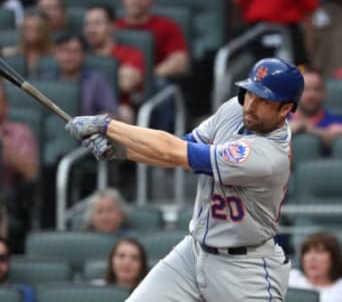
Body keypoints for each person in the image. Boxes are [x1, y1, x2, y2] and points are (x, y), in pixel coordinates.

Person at [65, 57, 304, 301]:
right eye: (249, 93)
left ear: (285, 108)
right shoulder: (236, 109)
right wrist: (122, 150)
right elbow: (180, 147)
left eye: (263, 99)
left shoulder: (268, 156)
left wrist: (107, 126)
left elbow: (174, 152)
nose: (250, 104)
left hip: (246, 269)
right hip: (194, 252)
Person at [228, 0, 319, 66]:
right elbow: (237, 0)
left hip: (288, 33)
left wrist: (309, 48)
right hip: (254, 33)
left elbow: (309, 10)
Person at [84, 5, 145, 124]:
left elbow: (127, 84)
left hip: (115, 108)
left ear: (112, 26)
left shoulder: (130, 54)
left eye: (97, 23)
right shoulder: (81, 55)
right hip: (84, 105)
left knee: (124, 112)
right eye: (88, 24)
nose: (91, 29)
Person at [116, 0, 189, 81]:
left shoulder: (167, 26)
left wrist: (146, 78)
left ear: (151, 0)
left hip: (153, 83)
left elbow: (180, 62)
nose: (136, 0)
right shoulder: (112, 27)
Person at [40, 32, 119, 118]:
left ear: (84, 54)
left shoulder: (96, 81)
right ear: (55, 54)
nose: (68, 56)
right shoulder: (46, 80)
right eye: (63, 51)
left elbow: (112, 113)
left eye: (74, 51)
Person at [289, 232, 342, 302]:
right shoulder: (291, 277)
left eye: (319, 252)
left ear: (333, 258)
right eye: (307, 252)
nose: (312, 258)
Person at [288, 69, 342, 152]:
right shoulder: (280, 118)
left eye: (317, 89)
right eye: (305, 89)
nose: (311, 95)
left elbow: (337, 139)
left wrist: (304, 128)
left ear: (325, 93)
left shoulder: (337, 120)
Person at [3, 9, 53, 78]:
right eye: (28, 29)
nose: (32, 33)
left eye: (37, 29)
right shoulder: (8, 55)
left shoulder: (56, 56)